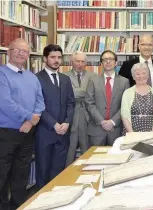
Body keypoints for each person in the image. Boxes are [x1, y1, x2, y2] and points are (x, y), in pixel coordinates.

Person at [0, 38, 45, 209]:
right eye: (16, 50)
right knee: (2, 175)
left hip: (27, 133)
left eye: (24, 51)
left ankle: (18, 205)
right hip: (6, 133)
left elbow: (40, 102)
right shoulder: (2, 73)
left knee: (21, 174)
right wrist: (29, 118)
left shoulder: (31, 77)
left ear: (28, 55)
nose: (20, 53)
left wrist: (32, 121)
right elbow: (5, 102)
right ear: (8, 52)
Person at [35, 44, 75, 189]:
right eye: (53, 57)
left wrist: (67, 122)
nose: (56, 60)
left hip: (63, 133)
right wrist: (54, 124)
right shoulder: (36, 78)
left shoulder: (65, 79)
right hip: (45, 133)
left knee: (58, 172)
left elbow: (71, 103)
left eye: (59, 57)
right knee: (43, 172)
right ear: (45, 58)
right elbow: (37, 106)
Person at [85, 50, 129, 146]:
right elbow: (89, 102)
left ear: (116, 63)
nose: (108, 62)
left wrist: (113, 122)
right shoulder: (93, 80)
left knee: (116, 159)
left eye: (111, 59)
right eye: (105, 60)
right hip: (97, 129)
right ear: (101, 63)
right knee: (95, 159)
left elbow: (126, 105)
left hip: (116, 130)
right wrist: (101, 121)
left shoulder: (124, 82)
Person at [64, 51, 96, 166]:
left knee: (87, 150)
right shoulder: (64, 76)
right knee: (69, 151)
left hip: (88, 117)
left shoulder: (93, 76)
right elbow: (66, 96)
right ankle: (66, 177)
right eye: (77, 61)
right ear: (71, 62)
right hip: (70, 117)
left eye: (83, 61)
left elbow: (94, 96)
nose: (80, 64)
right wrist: (84, 92)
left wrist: (75, 93)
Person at [121, 63, 153, 133]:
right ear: (133, 77)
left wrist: (152, 134)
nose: (141, 76)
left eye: (144, 73)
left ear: (148, 75)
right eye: (137, 74)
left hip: (152, 132)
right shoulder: (127, 93)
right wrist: (132, 134)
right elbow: (124, 115)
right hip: (131, 132)